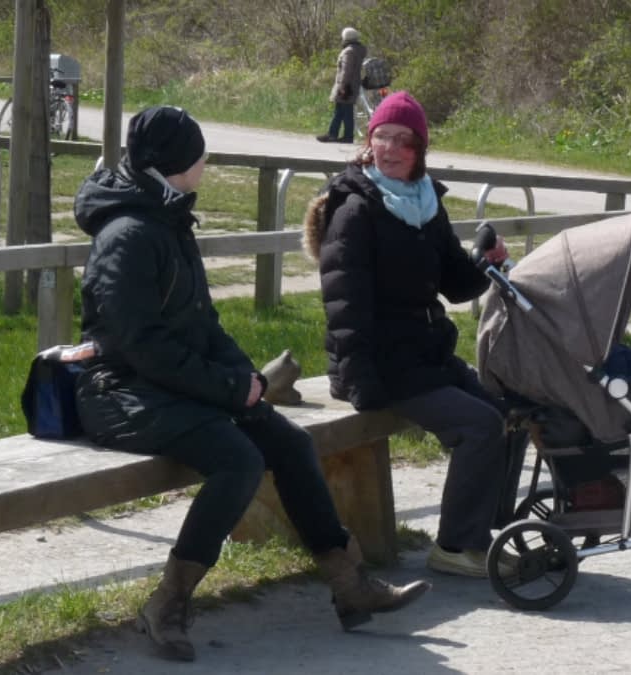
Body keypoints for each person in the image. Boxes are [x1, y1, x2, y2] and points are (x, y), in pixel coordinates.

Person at [72, 105, 429, 662]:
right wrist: (223, 388)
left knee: (286, 441)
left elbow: (201, 325)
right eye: (198, 153)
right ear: (174, 163)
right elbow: (138, 345)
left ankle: (348, 582)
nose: (206, 161)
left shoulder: (165, 219)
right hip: (118, 391)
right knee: (237, 458)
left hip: (166, 384)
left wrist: (245, 378)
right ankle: (166, 604)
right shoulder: (128, 234)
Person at [304, 92, 523, 579]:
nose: (392, 149)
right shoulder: (355, 210)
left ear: (420, 150)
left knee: (508, 413)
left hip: (424, 356)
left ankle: (481, 536)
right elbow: (344, 306)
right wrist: (360, 381)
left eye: (405, 141)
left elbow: (454, 284)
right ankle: (454, 546)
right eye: (383, 137)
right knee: (479, 426)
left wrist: (485, 263)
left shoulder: (424, 203)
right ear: (368, 141)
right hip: (379, 365)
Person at [316, 26, 366, 143]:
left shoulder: (349, 51)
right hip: (353, 85)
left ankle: (338, 135)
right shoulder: (359, 50)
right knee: (343, 110)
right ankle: (340, 135)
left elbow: (346, 70)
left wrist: (343, 86)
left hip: (346, 86)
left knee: (343, 111)